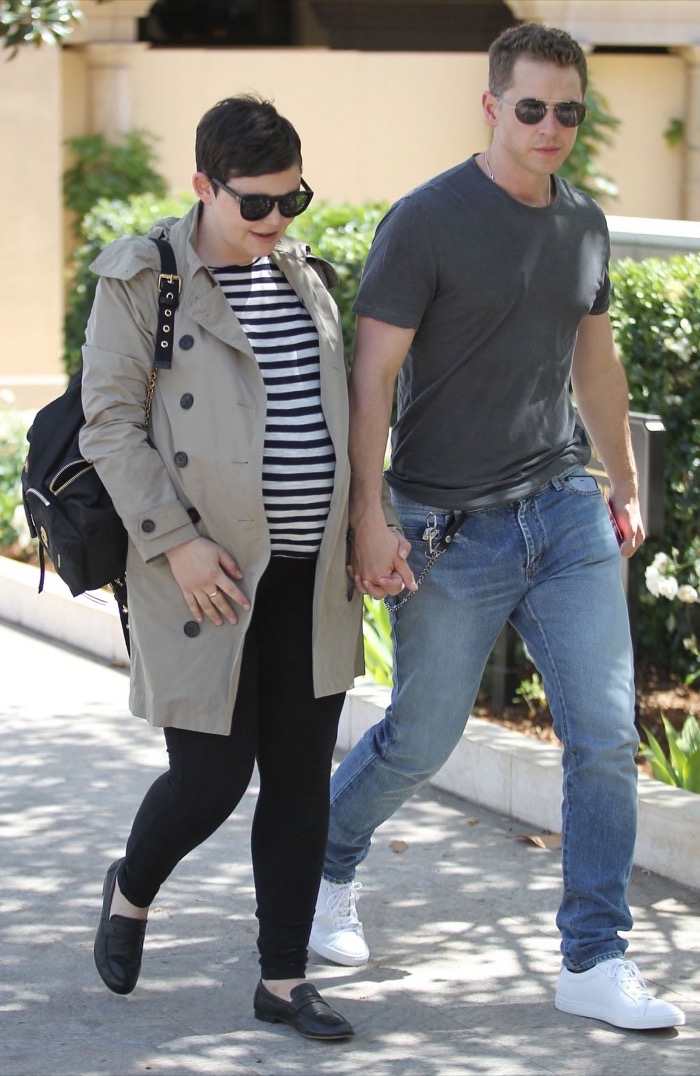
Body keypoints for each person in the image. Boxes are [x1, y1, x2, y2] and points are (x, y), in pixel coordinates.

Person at [309, 24, 687, 1032]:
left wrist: (620, 481)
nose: (551, 126)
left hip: (562, 508)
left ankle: (594, 955)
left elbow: (595, 364)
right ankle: (326, 862)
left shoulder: (583, 222)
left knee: (603, 735)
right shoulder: (427, 220)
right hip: (446, 526)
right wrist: (369, 514)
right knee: (420, 739)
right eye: (531, 108)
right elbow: (372, 379)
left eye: (569, 111)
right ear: (491, 106)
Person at [80, 94, 365, 1041]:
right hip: (203, 571)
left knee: (300, 782)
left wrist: (370, 523)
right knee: (210, 777)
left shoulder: (305, 276)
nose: (277, 218)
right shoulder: (145, 278)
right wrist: (176, 541)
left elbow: (345, 417)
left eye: (294, 198)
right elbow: (110, 425)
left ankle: (283, 980)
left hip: (310, 574)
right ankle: (131, 890)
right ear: (203, 185)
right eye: (257, 202)